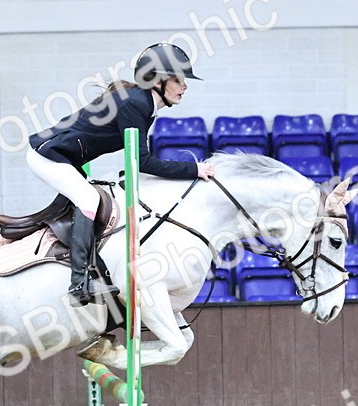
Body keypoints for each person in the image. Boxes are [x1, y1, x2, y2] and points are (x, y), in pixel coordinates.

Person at [26, 43, 216, 306]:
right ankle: (79, 283)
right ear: (157, 81)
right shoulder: (135, 104)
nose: (185, 86)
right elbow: (144, 162)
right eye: (178, 80)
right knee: (89, 200)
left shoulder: (143, 104)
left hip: (66, 158)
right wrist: (193, 169)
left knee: (95, 200)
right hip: (48, 156)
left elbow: (137, 160)